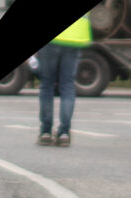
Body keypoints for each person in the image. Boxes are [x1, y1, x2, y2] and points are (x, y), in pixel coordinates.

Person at [35, 12, 92, 145]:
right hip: (75, 36)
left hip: (51, 42)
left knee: (47, 84)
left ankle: (45, 132)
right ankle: (64, 133)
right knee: (67, 85)